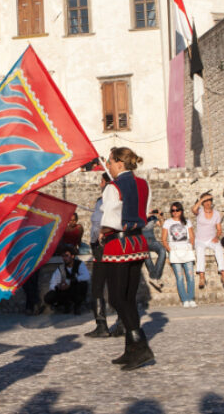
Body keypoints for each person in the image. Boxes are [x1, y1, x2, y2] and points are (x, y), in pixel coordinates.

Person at [98, 147, 154, 371]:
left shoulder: (113, 187)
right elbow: (145, 212)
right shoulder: (143, 184)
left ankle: (140, 345)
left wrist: (102, 230)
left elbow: (111, 218)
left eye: (110, 162)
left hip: (119, 244)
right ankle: (131, 349)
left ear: (119, 163)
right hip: (138, 242)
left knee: (117, 298)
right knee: (128, 298)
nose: (108, 166)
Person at [84, 175, 118, 338]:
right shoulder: (120, 198)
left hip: (102, 246)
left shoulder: (104, 200)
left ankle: (102, 325)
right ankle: (123, 323)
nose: (99, 184)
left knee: (98, 286)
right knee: (115, 285)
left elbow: (98, 223)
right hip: (115, 245)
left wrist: (96, 237)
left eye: (102, 182)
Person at [191, 192, 224, 290]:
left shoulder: (216, 214)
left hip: (211, 239)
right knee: (199, 250)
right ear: (202, 202)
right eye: (205, 201)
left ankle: (223, 273)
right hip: (200, 239)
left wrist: (217, 236)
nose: (207, 203)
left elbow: (219, 229)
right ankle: (202, 276)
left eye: (209, 201)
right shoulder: (199, 211)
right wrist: (201, 200)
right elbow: (193, 209)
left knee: (219, 248)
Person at [162, 202, 197, 308]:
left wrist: (190, 246)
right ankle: (184, 299)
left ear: (181, 211)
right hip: (175, 250)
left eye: (177, 210)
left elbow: (192, 236)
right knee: (180, 277)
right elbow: (164, 239)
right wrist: (170, 250)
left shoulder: (187, 222)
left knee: (190, 276)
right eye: (173, 210)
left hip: (186, 249)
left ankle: (191, 298)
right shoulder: (167, 222)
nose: (175, 212)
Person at [43, 246, 89, 314]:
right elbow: (53, 282)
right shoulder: (61, 268)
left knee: (82, 285)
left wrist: (71, 281)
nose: (65, 258)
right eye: (63, 256)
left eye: (67, 256)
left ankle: (77, 305)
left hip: (76, 289)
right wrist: (59, 286)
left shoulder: (79, 264)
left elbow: (86, 276)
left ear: (72, 256)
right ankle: (65, 305)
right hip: (65, 291)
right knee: (49, 297)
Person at [142, 209, 167, 292]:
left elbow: (162, 225)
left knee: (162, 250)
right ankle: (156, 277)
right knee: (146, 255)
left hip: (152, 240)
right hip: (142, 241)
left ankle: (154, 276)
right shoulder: (138, 214)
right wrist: (148, 214)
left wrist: (160, 217)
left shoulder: (153, 217)